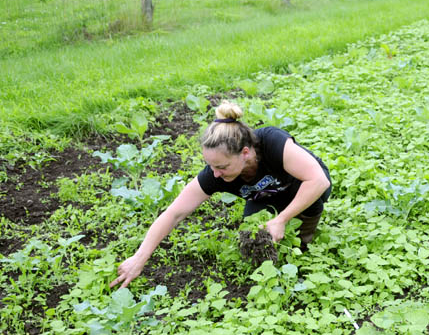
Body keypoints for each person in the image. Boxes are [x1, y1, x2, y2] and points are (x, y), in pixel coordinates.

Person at [111, 101, 332, 289]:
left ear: (245, 153)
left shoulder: (271, 142)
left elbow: (318, 180)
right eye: (211, 166)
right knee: (251, 237)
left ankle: (304, 244)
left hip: (302, 185)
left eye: (222, 166)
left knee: (311, 202)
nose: (216, 173)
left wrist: (281, 219)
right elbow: (174, 214)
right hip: (264, 197)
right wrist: (139, 258)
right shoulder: (215, 174)